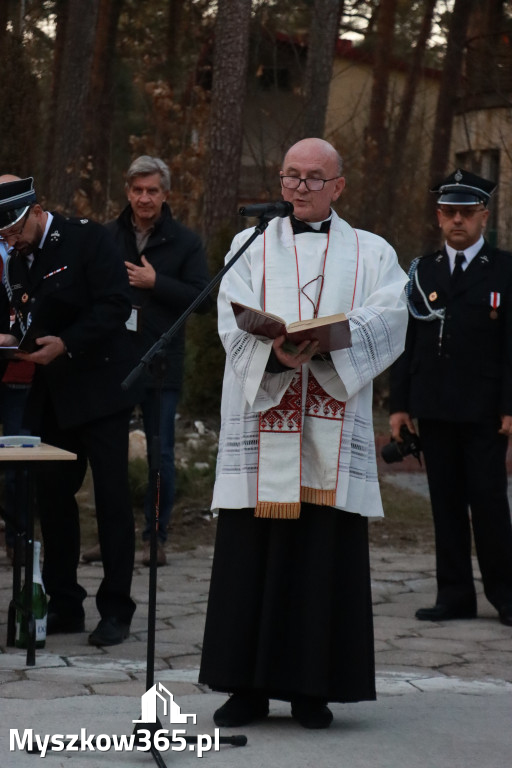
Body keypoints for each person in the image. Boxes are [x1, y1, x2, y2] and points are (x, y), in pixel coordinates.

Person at [198, 138, 408, 729]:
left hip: (330, 424)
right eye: (291, 176)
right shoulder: (250, 244)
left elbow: (392, 317)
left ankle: (313, 689)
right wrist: (274, 352)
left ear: (339, 186)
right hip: (265, 415)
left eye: (314, 178)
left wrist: (328, 344)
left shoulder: (372, 252)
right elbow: (228, 313)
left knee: (322, 556)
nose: (299, 187)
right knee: (251, 556)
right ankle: (245, 688)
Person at [0, 175, 139, 646]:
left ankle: (116, 609)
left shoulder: (87, 238)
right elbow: (21, 319)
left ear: (36, 211)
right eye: (5, 237)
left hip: (100, 390)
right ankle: (64, 603)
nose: (11, 241)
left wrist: (69, 344)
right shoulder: (18, 264)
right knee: (54, 503)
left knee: (112, 502)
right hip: (53, 395)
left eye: (15, 230)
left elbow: (116, 303)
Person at [389, 169, 512, 628]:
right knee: (445, 505)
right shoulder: (424, 271)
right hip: (434, 406)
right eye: (448, 212)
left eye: (466, 213)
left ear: (483, 216)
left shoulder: (504, 270)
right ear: (439, 217)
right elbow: (408, 342)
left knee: (490, 505)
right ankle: (454, 594)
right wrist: (399, 406)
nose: (457, 221)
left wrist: (509, 406)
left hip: (484, 411)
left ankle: (505, 594)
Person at [94, 155, 210, 567]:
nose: (144, 198)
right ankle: (112, 538)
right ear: (127, 191)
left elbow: (204, 299)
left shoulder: (185, 242)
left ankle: (154, 537)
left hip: (162, 362)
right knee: (108, 454)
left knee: (160, 453)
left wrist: (155, 282)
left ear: (165, 194)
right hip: (115, 362)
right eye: (138, 190)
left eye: (152, 191)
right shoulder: (107, 236)